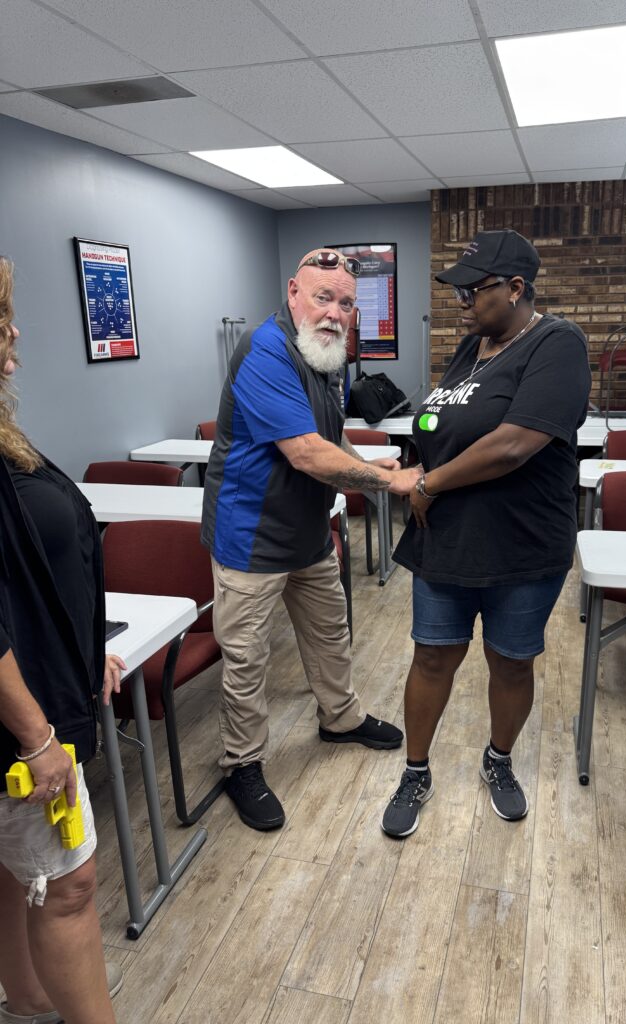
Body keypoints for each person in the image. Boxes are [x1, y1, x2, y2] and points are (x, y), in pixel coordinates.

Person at [381, 230, 592, 839]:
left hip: (522, 544)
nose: (461, 302)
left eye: (473, 291)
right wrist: (414, 466)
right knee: (431, 656)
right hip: (447, 540)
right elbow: (441, 425)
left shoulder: (558, 344)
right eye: (459, 292)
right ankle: (415, 771)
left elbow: (513, 444)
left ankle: (498, 760)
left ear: (516, 287)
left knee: (511, 662)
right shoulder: (470, 349)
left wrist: (430, 483)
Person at [201, 248, 420, 832]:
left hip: (308, 531)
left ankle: (340, 719)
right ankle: (242, 763)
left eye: (346, 303)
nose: (335, 313)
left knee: (330, 632)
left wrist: (367, 464)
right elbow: (303, 452)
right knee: (247, 657)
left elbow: (326, 435)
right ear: (293, 292)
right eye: (324, 298)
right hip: (251, 538)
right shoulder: (266, 350)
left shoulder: (327, 354)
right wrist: (389, 481)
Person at [0, 256, 125, 1024]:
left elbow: (23, 570)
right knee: (70, 888)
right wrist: (37, 736)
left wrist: (81, 648)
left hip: (38, 690)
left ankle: (26, 1004)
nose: (14, 333)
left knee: (17, 875)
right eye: (1, 318)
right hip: (25, 727)